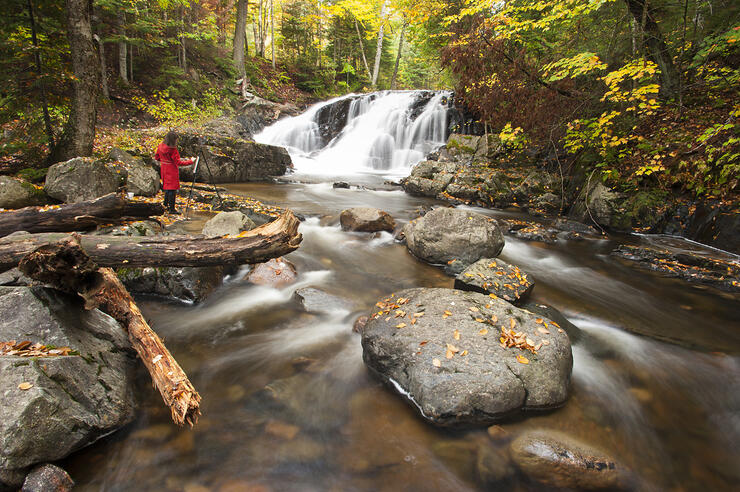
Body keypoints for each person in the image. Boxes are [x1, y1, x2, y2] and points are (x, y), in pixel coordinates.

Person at [154, 131, 194, 214]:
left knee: (167, 188)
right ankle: (172, 209)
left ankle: (165, 205)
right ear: (173, 140)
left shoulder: (161, 146)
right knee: (172, 189)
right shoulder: (172, 150)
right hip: (172, 170)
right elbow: (178, 162)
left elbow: (157, 157)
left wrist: (164, 160)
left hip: (164, 169)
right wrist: (191, 161)